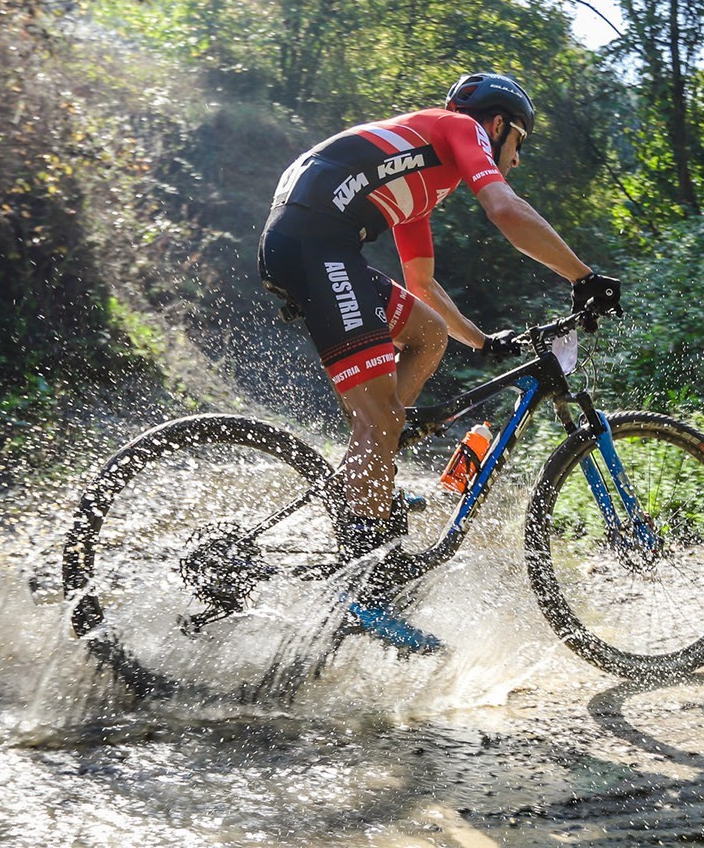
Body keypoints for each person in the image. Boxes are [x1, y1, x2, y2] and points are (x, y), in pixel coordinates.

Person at [257, 72, 621, 651]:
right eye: (518, 144)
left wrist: (481, 341)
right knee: (378, 421)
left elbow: (422, 285)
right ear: (497, 126)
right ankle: (366, 590)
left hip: (312, 238)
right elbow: (504, 208)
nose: (516, 159)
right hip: (314, 242)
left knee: (428, 337)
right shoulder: (459, 129)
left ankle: (369, 477)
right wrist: (584, 276)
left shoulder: (420, 176)